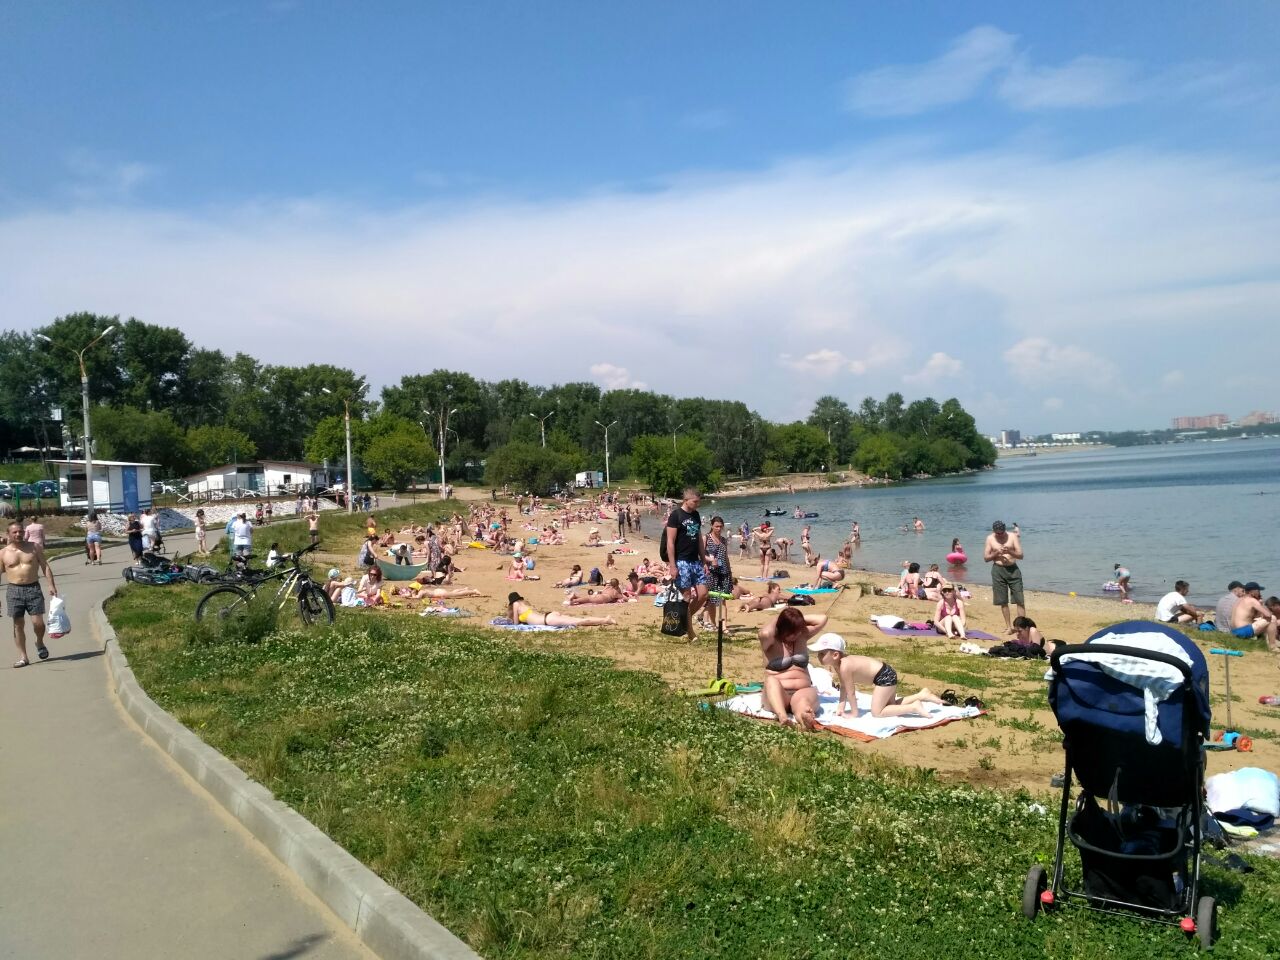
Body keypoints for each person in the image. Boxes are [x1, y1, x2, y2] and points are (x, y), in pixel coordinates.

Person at [808, 633, 945, 718]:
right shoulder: (839, 664)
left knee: (877, 712)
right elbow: (843, 687)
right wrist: (841, 707)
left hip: (884, 677)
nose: (818, 656)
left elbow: (851, 692)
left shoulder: (844, 666)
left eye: (822, 653)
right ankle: (922, 695)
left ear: (835, 655)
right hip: (886, 672)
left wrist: (854, 713)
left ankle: (914, 707)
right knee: (890, 706)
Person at [759, 607, 827, 729]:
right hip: (778, 694)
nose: (796, 635)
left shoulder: (802, 635)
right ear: (782, 628)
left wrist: (797, 620)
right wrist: (781, 618)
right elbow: (765, 633)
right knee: (770, 681)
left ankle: (804, 716)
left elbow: (822, 619)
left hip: (802, 691)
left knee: (803, 703)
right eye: (792, 632)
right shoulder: (771, 640)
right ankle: (783, 716)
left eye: (798, 631)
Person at [4, 520, 58, 668]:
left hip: (33, 588)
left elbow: (45, 566)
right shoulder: (3, 553)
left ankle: (39, 642)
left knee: (38, 623)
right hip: (14, 590)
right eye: (14, 532)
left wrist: (51, 585)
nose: (18, 534)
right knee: (18, 625)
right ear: (8, 534)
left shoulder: (34, 547)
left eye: (20, 531)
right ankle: (23, 657)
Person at [665, 487, 711, 640]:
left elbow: (699, 539)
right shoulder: (676, 515)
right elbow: (670, 542)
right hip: (681, 561)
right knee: (686, 596)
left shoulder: (696, 515)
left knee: (703, 594)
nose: (698, 504)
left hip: (695, 561)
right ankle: (690, 632)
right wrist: (672, 566)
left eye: (698, 501)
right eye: (695, 502)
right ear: (686, 500)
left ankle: (686, 618)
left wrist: (704, 560)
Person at [983, 520, 1025, 632]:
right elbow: (986, 558)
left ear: (1005, 529)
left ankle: (1021, 627)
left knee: (1019, 599)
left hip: (1013, 570)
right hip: (998, 570)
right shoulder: (990, 538)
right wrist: (996, 553)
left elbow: (1021, 555)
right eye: (998, 533)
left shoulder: (1012, 536)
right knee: (1003, 601)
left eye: (1001, 532)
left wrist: (1009, 551)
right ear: (994, 531)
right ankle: (1009, 627)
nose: (1000, 534)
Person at [507, 591, 616, 627]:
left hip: (548, 620)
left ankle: (606, 620)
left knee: (579, 622)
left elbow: (516, 623)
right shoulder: (524, 605)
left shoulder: (516, 605)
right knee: (579, 620)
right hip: (548, 616)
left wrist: (515, 617)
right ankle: (605, 619)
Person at [702, 515, 733, 629]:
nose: (719, 529)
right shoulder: (706, 538)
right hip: (711, 572)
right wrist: (710, 560)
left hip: (724, 572)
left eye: (720, 526)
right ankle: (713, 623)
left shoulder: (723, 540)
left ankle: (724, 626)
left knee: (723, 599)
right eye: (716, 526)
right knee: (711, 599)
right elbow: (700, 555)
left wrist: (729, 571)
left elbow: (725, 557)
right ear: (712, 526)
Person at [1229, 582, 1279, 649]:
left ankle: (1261, 643)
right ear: (1252, 592)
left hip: (1233, 632)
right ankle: (1272, 646)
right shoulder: (1252, 600)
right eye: (1258, 591)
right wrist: (1261, 604)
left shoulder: (1239, 599)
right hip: (1242, 632)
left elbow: (1249, 617)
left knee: (1259, 620)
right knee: (1273, 618)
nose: (1260, 593)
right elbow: (1268, 615)